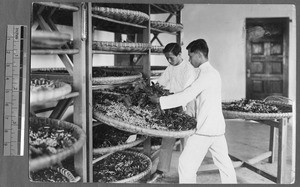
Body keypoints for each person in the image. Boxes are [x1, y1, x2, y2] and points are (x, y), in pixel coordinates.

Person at [149, 39, 237, 184]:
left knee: (186, 164)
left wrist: (160, 101)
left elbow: (186, 95)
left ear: (198, 54)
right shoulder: (212, 73)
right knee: (224, 164)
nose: (189, 60)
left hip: (205, 129)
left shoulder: (206, 74)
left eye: (190, 56)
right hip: (217, 128)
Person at [147, 42, 197, 183]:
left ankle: (188, 174)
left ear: (180, 55)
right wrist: (152, 89)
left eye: (171, 58)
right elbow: (161, 82)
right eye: (167, 58)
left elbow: (185, 95)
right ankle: (161, 170)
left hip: (186, 106)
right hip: (172, 104)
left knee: (186, 141)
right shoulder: (171, 67)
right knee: (167, 138)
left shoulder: (189, 69)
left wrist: (163, 99)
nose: (169, 61)